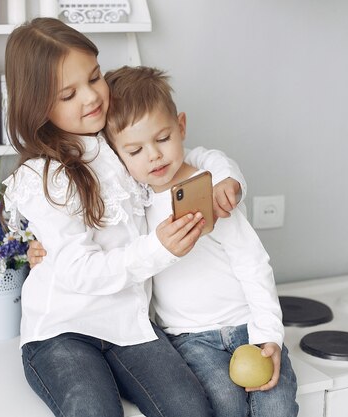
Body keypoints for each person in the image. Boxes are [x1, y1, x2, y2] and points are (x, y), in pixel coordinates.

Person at [2, 18, 245, 417]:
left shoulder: (119, 140)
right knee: (94, 411)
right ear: (39, 105)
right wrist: (158, 249)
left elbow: (195, 155)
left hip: (130, 327)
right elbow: (79, 271)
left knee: (190, 409)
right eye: (68, 94)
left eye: (95, 77)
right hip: (64, 331)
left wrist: (226, 177)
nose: (91, 97)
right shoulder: (43, 175)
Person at [29, 66, 299, 417]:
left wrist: (269, 334)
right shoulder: (132, 200)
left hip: (248, 325)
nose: (153, 155)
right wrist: (41, 249)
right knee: (224, 406)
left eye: (162, 139)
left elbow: (253, 263)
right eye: (135, 149)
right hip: (188, 339)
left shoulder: (209, 191)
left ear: (181, 127)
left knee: (277, 406)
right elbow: (94, 240)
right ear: (117, 156)